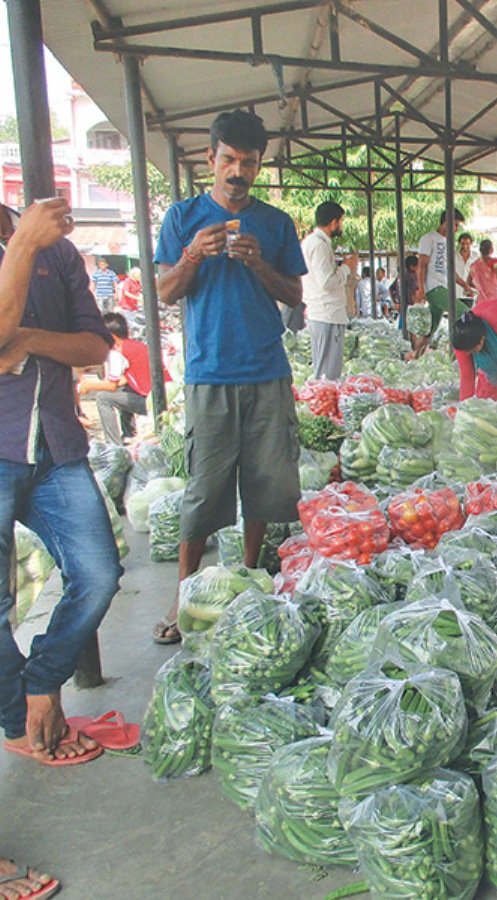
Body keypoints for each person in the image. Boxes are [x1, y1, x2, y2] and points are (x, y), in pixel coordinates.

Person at [151, 109, 306, 644]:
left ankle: (246, 574)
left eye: (249, 163)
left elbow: (294, 295)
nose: (238, 171)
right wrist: (194, 253)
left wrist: (259, 264)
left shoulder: (275, 223)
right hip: (209, 373)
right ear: (211, 158)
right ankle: (184, 594)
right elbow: (166, 293)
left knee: (265, 486)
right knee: (204, 491)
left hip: (267, 371)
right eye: (229, 160)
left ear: (260, 166)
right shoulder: (182, 217)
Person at [0, 198, 121, 765]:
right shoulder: (33, 243)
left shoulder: (61, 251)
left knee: (98, 573)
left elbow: (95, 346)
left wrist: (25, 341)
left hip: (56, 446)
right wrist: (22, 246)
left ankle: (43, 680)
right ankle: (17, 725)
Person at [77, 313, 153, 444]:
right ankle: (129, 434)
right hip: (156, 397)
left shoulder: (117, 353)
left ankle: (113, 443)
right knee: (122, 390)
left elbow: (111, 385)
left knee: (103, 398)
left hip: (151, 402)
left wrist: (87, 385)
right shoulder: (135, 345)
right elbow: (124, 380)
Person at [301, 201, 355, 380]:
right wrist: (346, 268)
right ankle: (324, 406)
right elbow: (326, 282)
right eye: (341, 221)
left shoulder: (315, 242)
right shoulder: (318, 245)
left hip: (323, 313)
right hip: (326, 313)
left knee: (325, 369)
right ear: (333, 223)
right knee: (328, 374)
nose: (341, 226)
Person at [414, 208, 468, 355]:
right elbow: (422, 265)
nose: (456, 229)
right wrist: (421, 289)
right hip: (433, 288)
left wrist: (464, 285)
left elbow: (449, 270)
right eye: (455, 225)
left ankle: (415, 357)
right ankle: (458, 354)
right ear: (446, 222)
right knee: (464, 313)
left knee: (429, 330)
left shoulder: (448, 242)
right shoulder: (428, 238)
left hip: (442, 286)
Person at [455, 232, 479, 300]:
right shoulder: (453, 256)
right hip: (456, 293)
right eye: (463, 244)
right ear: (459, 243)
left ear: (471, 244)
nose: (465, 246)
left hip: (470, 294)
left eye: (467, 244)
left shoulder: (476, 256)